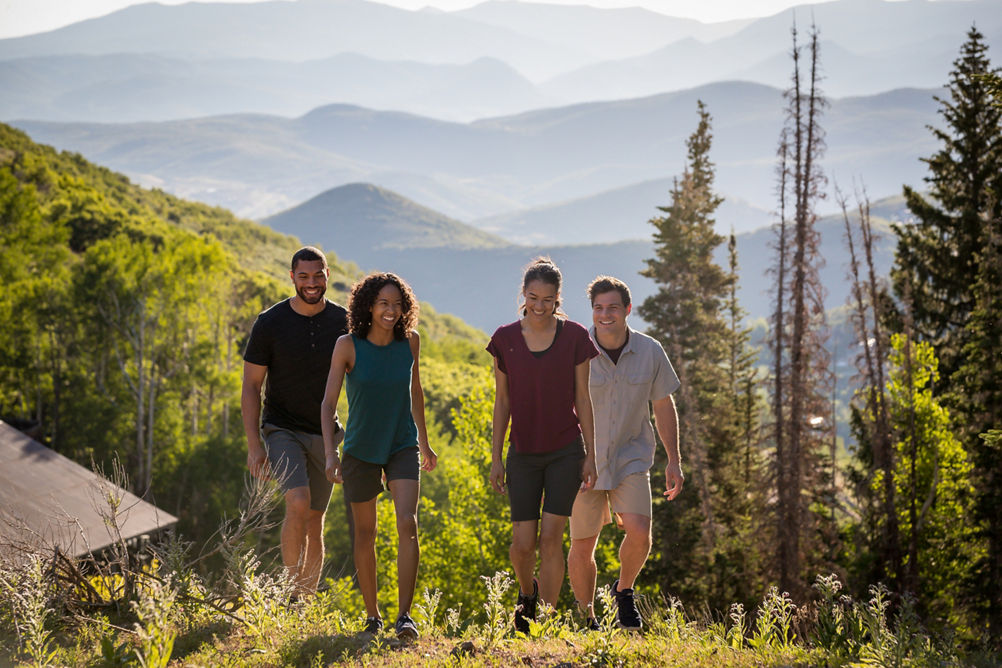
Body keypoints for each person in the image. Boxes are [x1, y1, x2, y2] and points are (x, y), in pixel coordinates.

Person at [320, 272, 437, 641]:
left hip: (402, 444)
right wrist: (330, 453)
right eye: (383, 303)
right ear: (368, 305)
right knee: (365, 533)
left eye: (397, 304)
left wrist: (426, 441)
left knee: (408, 524)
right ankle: (373, 616)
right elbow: (327, 405)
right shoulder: (347, 345)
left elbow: (414, 392)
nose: (391, 311)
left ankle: (405, 617)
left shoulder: (410, 343)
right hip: (360, 450)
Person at [486, 257, 599, 634]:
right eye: (533, 297)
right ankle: (526, 594)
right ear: (523, 295)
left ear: (558, 299)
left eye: (547, 299)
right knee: (522, 545)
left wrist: (591, 455)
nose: (539, 305)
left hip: (566, 450)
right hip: (522, 452)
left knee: (552, 538)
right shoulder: (504, 339)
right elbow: (501, 402)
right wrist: (496, 457)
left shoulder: (576, 337)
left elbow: (583, 399)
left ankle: (545, 623)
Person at [567, 276, 683, 631]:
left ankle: (624, 591)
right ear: (592, 311)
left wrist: (674, 460)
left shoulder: (650, 351)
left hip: (631, 457)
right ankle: (587, 618)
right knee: (582, 544)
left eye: (613, 307)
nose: (605, 315)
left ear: (627, 310)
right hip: (582, 460)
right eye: (599, 308)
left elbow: (664, 406)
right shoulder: (574, 349)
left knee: (639, 532)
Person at [241, 246, 348, 597]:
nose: (312, 283)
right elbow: (252, 386)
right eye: (304, 276)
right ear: (292, 278)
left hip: (326, 433)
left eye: (318, 275)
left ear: (328, 275)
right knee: (298, 503)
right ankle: (289, 590)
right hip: (281, 429)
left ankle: (305, 598)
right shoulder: (270, 323)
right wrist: (254, 445)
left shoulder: (343, 322)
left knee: (316, 520)